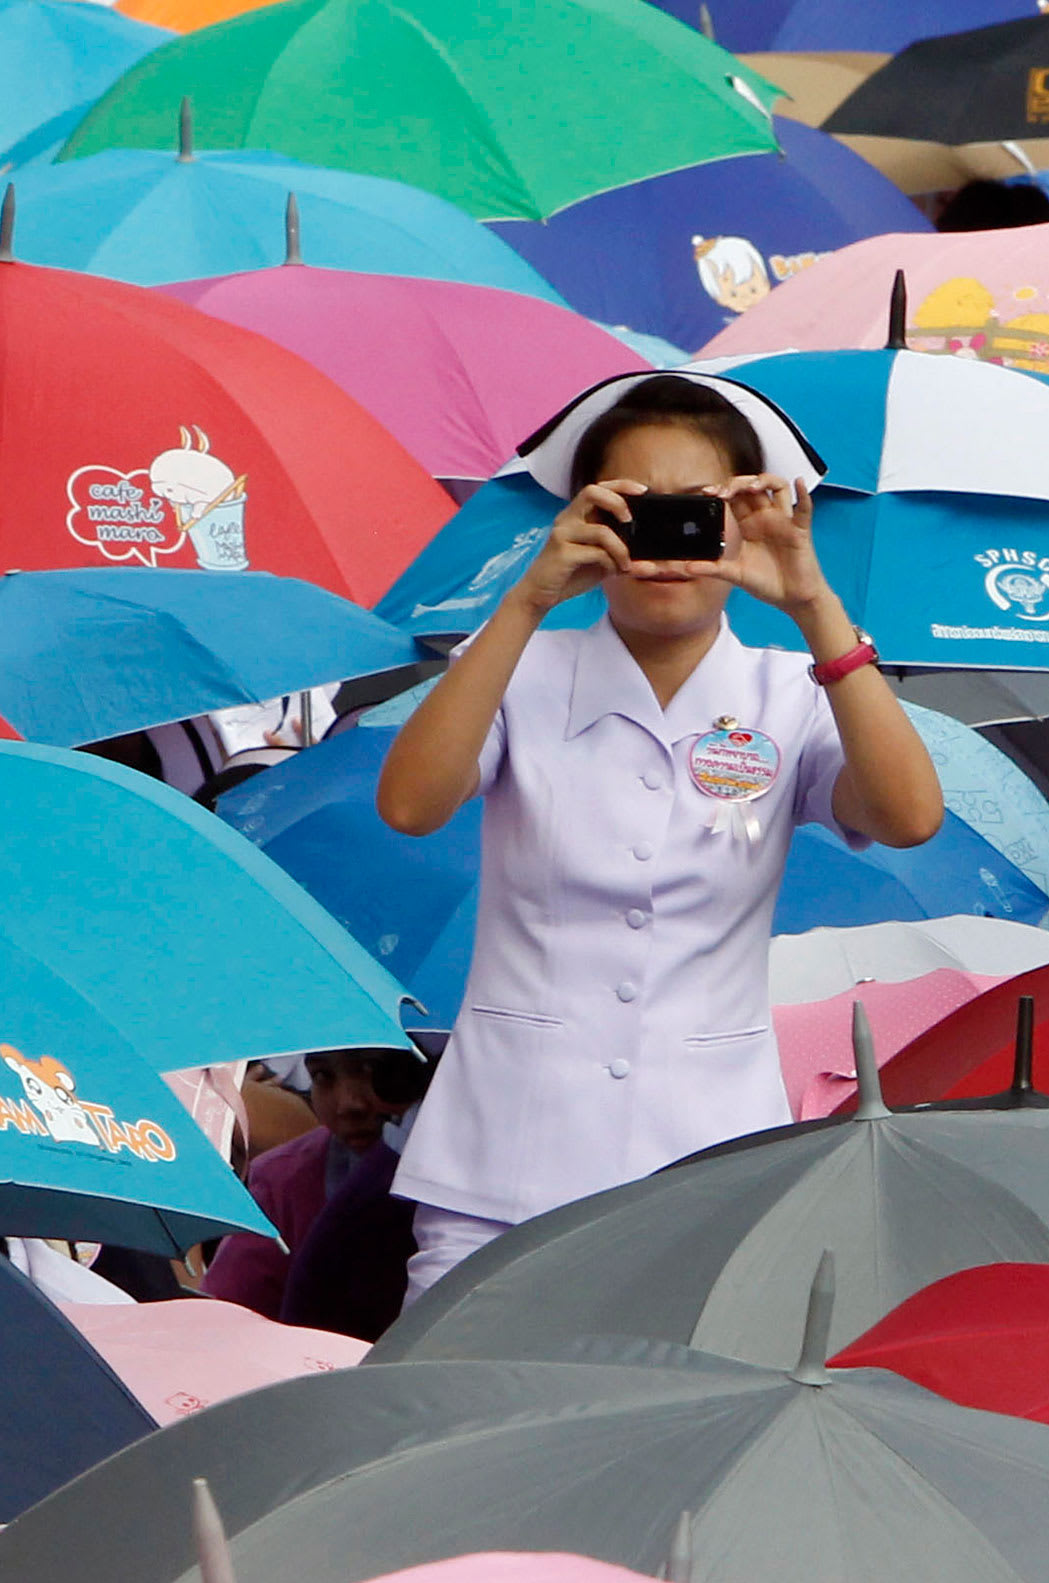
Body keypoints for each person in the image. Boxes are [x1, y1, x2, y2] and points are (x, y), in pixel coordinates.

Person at [378, 373, 944, 1299]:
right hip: (502, 1157)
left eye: (701, 511)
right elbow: (410, 805)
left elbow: (911, 817)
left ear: (747, 519)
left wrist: (813, 604)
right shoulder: (520, 668)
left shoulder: (789, 688)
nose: (668, 543)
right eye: (640, 509)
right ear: (587, 517)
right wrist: (524, 601)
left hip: (707, 1163)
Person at [202, 1047, 422, 1318]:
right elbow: (225, 1314)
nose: (348, 1104)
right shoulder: (281, 1179)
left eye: (369, 1072)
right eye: (322, 1076)